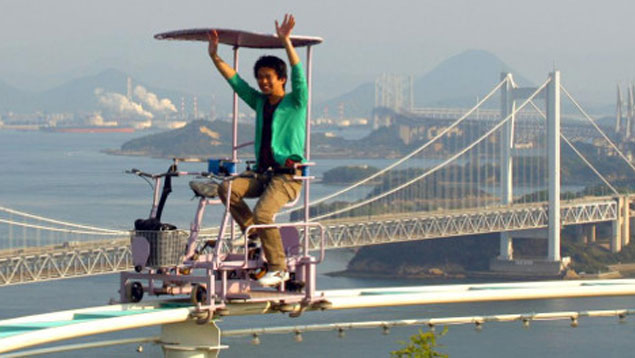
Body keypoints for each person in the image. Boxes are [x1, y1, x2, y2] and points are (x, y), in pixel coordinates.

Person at [207, 14, 307, 287]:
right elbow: (237, 83)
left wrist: (286, 41)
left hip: (288, 177)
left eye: (268, 78)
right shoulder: (261, 103)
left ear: (281, 79)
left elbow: (299, 77)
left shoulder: (296, 103)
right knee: (226, 189)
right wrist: (215, 57)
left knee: (264, 215)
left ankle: (278, 267)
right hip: (263, 174)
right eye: (260, 78)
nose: (263, 82)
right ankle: (252, 233)